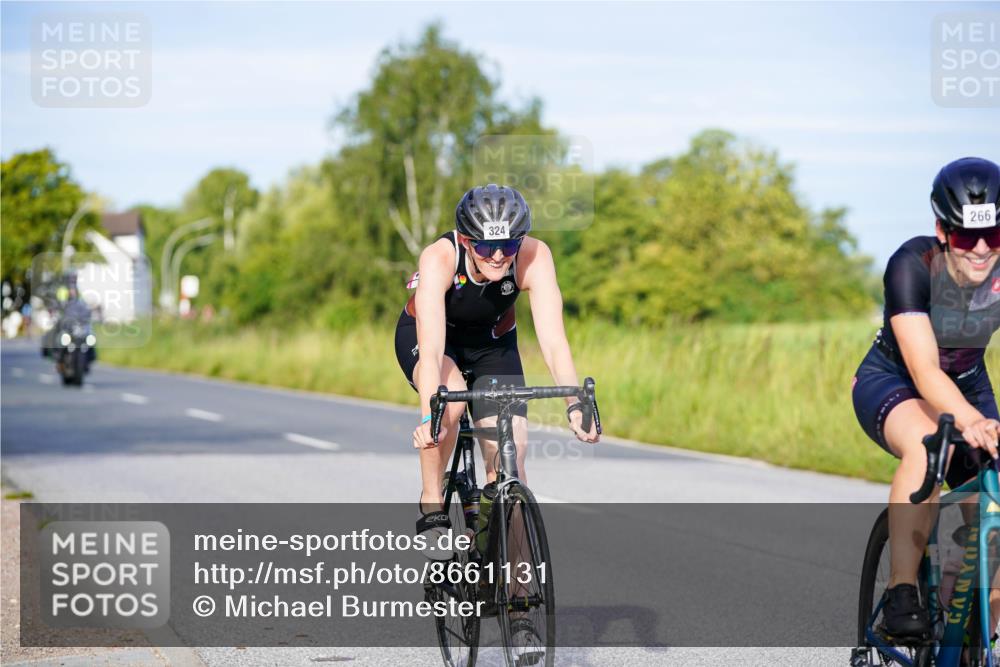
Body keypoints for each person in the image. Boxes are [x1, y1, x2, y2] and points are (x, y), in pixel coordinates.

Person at [394, 184, 599, 539]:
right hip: (433, 339)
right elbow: (430, 353)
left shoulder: (534, 255)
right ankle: (432, 502)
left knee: (510, 460)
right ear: (467, 240)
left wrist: (574, 404)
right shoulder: (439, 258)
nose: (498, 257)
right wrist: (431, 418)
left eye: (508, 245)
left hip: (492, 345)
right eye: (487, 247)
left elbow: (553, 341)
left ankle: (512, 580)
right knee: (450, 405)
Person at [852, 157, 1000, 639]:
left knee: (994, 506)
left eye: (994, 236)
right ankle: (901, 590)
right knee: (932, 443)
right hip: (895, 380)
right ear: (941, 230)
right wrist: (972, 422)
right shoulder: (912, 266)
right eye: (964, 237)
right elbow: (924, 369)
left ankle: (982, 630)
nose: (980, 249)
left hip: (969, 382)